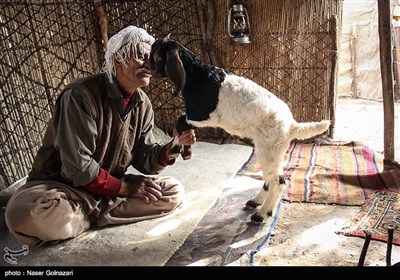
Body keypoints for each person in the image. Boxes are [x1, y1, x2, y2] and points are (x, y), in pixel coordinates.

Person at [5, 26, 196, 249]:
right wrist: (126, 188)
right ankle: (98, 213)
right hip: (63, 189)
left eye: (150, 58)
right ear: (117, 59)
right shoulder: (80, 95)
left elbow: (145, 158)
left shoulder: (143, 104)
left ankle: (86, 217)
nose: (148, 64)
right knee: (24, 214)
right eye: (139, 56)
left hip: (107, 190)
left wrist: (172, 147)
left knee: (172, 191)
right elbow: (78, 168)